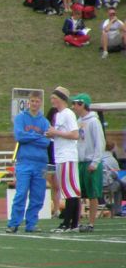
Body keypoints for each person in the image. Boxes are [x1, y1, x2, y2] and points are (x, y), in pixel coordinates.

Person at [6, 91, 50, 233]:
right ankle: (14, 223)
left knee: (38, 196)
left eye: (37, 101)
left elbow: (47, 141)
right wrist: (37, 135)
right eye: (32, 101)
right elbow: (19, 136)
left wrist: (30, 137)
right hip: (24, 162)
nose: (35, 104)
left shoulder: (44, 121)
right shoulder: (20, 118)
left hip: (41, 163)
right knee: (21, 193)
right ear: (28, 102)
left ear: (41, 103)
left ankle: (31, 224)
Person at [45, 87, 80, 232]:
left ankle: (68, 223)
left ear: (61, 99)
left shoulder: (68, 114)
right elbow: (60, 134)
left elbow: (75, 134)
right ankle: (73, 224)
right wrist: (52, 135)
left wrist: (56, 132)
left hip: (68, 156)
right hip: (60, 156)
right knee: (68, 190)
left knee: (70, 191)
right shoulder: (58, 115)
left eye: (54, 97)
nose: (52, 100)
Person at [71, 93, 104, 232]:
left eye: (76, 104)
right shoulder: (78, 121)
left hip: (90, 161)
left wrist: (95, 162)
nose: (73, 106)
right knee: (79, 193)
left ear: (83, 104)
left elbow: (100, 143)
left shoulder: (94, 122)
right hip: (80, 161)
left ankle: (91, 223)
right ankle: (77, 222)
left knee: (92, 194)